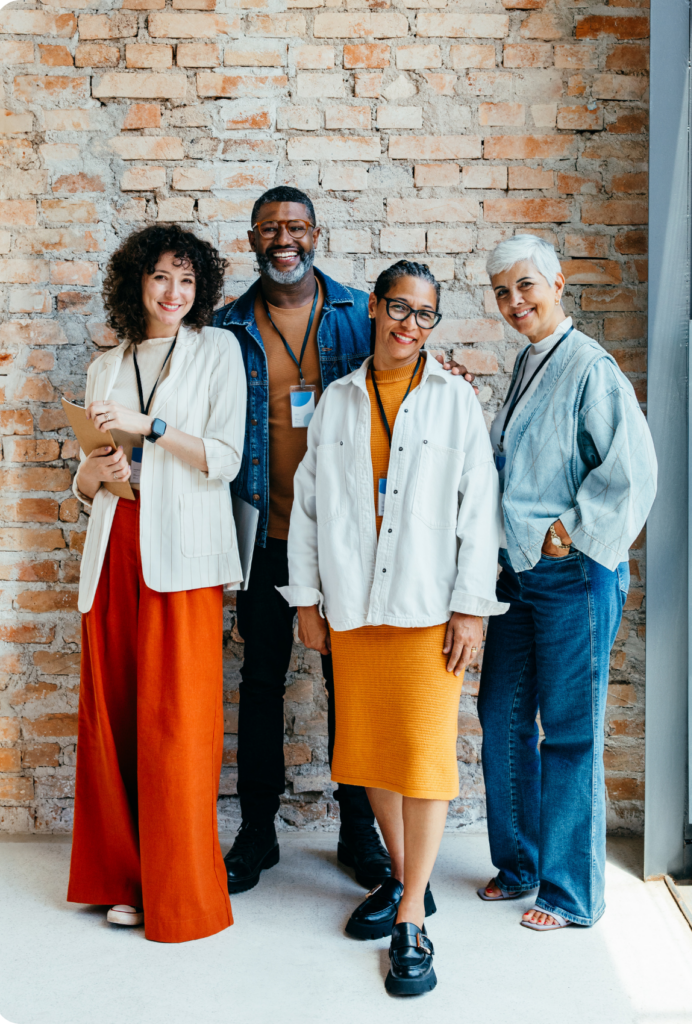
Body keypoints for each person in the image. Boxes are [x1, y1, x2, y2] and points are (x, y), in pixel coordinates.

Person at [212, 187, 475, 895]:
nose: (283, 240)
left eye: (295, 227)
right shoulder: (227, 325)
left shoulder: (360, 311)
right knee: (260, 685)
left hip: (352, 548)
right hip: (267, 533)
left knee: (349, 692)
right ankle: (256, 832)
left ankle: (360, 833)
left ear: (316, 234)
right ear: (252, 239)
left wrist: (448, 373)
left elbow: (407, 361)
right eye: (270, 229)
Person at [279, 260, 507, 995]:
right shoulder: (340, 400)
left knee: (425, 758)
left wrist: (472, 606)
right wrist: (306, 601)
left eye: (425, 314)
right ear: (374, 309)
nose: (410, 324)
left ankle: (410, 916)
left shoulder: (452, 403)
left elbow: (479, 511)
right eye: (399, 309)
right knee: (373, 755)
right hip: (354, 607)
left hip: (425, 609)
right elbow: (309, 507)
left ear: (433, 324)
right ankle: (413, 880)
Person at [67, 224, 247, 943]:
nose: (173, 293)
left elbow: (226, 458)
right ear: (135, 285)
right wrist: (97, 474)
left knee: (177, 727)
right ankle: (123, 879)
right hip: (114, 552)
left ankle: (176, 887)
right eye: (160, 279)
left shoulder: (219, 352)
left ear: (199, 289)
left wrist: (152, 425)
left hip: (185, 559)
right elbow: (82, 480)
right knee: (112, 719)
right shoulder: (105, 366)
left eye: (186, 280)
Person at [477, 234, 657, 932]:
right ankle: (520, 864)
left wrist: (568, 533)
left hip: (572, 574)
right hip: (519, 574)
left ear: (555, 284)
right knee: (501, 717)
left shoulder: (589, 365)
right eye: (500, 292)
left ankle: (570, 892)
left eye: (524, 286)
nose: (513, 301)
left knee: (571, 732)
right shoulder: (528, 362)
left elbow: (631, 472)